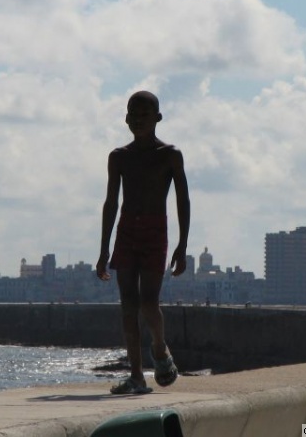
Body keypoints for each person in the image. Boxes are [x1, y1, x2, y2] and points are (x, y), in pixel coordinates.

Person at [96, 91, 190, 395]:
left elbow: (182, 200)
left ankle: (160, 350)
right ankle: (136, 376)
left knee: (149, 303)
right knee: (128, 307)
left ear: (157, 119)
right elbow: (111, 202)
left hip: (155, 232)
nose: (138, 120)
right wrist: (103, 249)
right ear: (126, 119)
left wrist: (182, 245)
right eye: (133, 115)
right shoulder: (119, 157)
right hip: (127, 231)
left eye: (144, 115)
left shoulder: (170, 155)